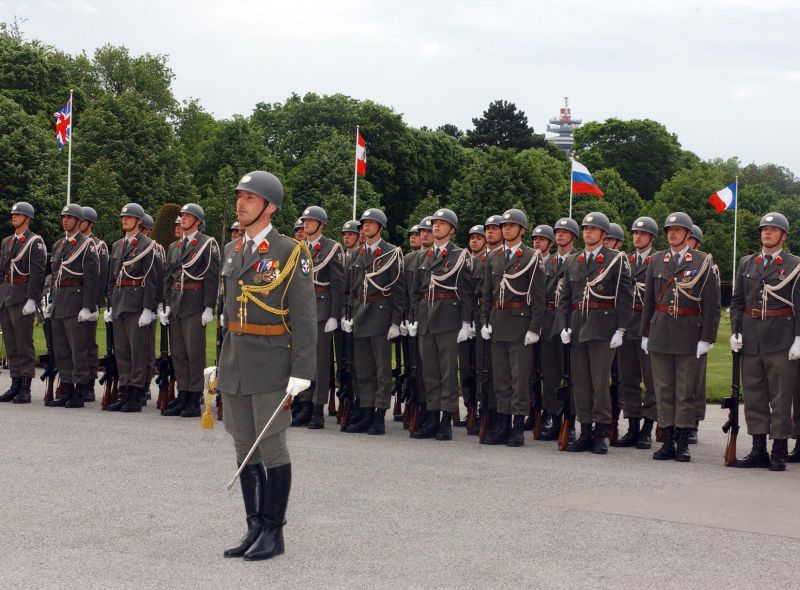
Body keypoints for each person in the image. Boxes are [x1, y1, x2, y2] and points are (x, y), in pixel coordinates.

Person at [217, 170, 316, 561]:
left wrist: (302, 372)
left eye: (250, 198)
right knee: (244, 444)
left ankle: (274, 532)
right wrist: (219, 363)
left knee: (271, 446)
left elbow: (305, 317)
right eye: (240, 196)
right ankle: (253, 526)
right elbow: (227, 312)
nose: (241, 203)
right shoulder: (232, 250)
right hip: (236, 362)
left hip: (273, 362)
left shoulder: (291, 252)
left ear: (270, 206)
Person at [640, 212, 720, 463]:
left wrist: (706, 338)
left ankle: (683, 441)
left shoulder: (702, 260)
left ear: (688, 234)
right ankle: (668, 438)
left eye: (677, 229)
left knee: (685, 391)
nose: (672, 233)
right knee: (663, 389)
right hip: (661, 331)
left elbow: (712, 305)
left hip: (688, 332)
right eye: (669, 230)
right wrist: (645, 333)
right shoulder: (656, 260)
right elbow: (649, 302)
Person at [729, 212, 799, 471]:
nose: (766, 233)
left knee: (781, 397)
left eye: (772, 229)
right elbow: (738, 301)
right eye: (764, 229)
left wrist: (799, 339)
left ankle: (779, 448)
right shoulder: (747, 263)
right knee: (755, 395)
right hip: (751, 337)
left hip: (781, 338)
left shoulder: (794, 265)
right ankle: (758, 448)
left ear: (783, 235)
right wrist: (735, 331)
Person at [558, 212, 632, 454]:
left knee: (600, 383)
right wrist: (565, 326)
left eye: (593, 228)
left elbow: (624, 298)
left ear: (603, 234)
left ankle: (601, 432)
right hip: (579, 327)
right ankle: (585, 430)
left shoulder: (616, 259)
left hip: (603, 328)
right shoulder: (573, 260)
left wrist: (621, 329)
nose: (588, 232)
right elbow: (566, 299)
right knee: (580, 383)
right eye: (585, 228)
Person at [480, 208, 545, 447]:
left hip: (520, 323)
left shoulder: (531, 257)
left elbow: (538, 297)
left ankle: (518, 425)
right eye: (503, 226)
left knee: (519, 379)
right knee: (501, 378)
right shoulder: (493, 257)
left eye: (511, 226)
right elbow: (487, 294)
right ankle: (502, 423)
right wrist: (485, 321)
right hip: (498, 322)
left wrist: (534, 327)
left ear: (522, 230)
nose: (506, 229)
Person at [408, 208, 474, 441]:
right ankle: (431, 417)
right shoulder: (422, 257)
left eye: (442, 223)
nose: (436, 226)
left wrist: (466, 322)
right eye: (434, 223)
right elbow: (416, 292)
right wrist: (414, 317)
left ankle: (446, 418)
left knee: (447, 372)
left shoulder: (459, 256)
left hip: (448, 319)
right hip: (426, 317)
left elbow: (466, 292)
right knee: (430, 372)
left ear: (451, 230)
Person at [341, 209, 406, 435]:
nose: (365, 227)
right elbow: (350, 289)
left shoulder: (391, 253)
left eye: (371, 223)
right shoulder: (356, 254)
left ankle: (379, 413)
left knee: (381, 369)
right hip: (360, 314)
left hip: (380, 314)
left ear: (380, 227)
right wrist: (347, 314)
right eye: (364, 223)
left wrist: (396, 322)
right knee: (363, 368)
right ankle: (365, 410)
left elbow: (398, 290)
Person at [159, 203, 220, 418]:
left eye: (187, 215)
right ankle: (183, 392)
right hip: (176, 304)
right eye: (182, 215)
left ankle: (194, 396)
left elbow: (212, 277)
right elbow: (169, 278)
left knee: (195, 353)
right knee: (179, 353)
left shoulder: (207, 244)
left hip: (195, 305)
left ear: (198, 221)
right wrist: (165, 304)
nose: (182, 218)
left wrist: (208, 307)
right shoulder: (174, 247)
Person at [104, 203, 159, 413]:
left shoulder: (148, 245)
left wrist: (148, 308)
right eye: (123, 217)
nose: (124, 220)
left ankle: (136, 393)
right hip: (119, 302)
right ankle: (124, 390)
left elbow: (151, 280)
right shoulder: (118, 245)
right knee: (123, 351)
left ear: (139, 221)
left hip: (136, 304)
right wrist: (110, 304)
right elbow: (112, 278)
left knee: (138, 352)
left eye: (128, 217)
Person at [294, 206, 345, 429]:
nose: (306, 224)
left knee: (321, 362)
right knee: (302, 360)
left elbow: (338, 285)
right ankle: (304, 403)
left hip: (322, 310)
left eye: (311, 221)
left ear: (321, 225)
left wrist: (334, 315)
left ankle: (318, 407)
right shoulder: (299, 248)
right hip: (302, 311)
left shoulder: (332, 248)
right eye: (305, 220)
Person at [46, 203, 100, 408]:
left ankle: (80, 389)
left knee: (79, 349)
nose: (65, 220)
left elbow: (92, 278)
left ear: (79, 221)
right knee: (62, 349)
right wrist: (51, 300)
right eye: (63, 217)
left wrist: (88, 306)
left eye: (69, 217)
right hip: (60, 300)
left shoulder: (87, 245)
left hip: (76, 302)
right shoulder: (60, 244)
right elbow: (55, 275)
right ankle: (66, 387)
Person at [615, 216, 659, 449]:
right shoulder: (625, 260)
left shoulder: (658, 260)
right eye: (635, 233)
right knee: (627, 380)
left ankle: (647, 428)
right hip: (627, 326)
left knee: (652, 381)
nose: (637, 237)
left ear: (651, 237)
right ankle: (632, 426)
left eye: (642, 234)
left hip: (648, 327)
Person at [0, 202, 46, 404]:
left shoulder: (34, 242)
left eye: (18, 214)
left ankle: (25, 386)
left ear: (28, 219)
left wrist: (32, 299)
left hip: (22, 296)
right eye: (13, 214)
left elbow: (37, 273)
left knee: (23, 343)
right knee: (10, 343)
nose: (14, 217)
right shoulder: (7, 242)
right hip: (6, 295)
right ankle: (15, 382)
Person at [537, 218, 579, 441]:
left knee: (569, 374)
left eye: (564, 232)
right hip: (547, 320)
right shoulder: (547, 262)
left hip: (568, 321)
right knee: (550, 374)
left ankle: (569, 420)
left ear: (573, 236)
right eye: (558, 232)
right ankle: (553, 417)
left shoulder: (578, 260)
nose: (560, 235)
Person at [80, 206, 109, 402]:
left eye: (82, 220)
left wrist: (94, 305)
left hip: (89, 300)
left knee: (87, 343)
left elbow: (101, 277)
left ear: (89, 223)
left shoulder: (99, 246)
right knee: (73, 344)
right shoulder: (70, 244)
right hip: (72, 298)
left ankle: (89, 382)